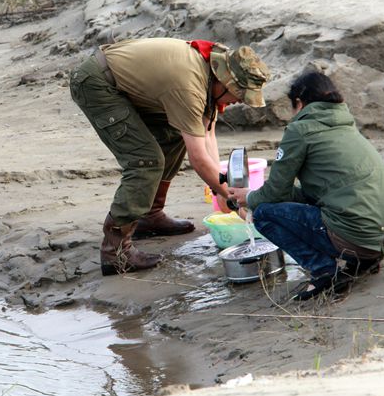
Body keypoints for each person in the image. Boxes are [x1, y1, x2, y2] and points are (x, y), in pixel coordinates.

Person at [69, 38, 270, 276]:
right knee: (146, 162)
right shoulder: (189, 87)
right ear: (225, 83)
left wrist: (222, 189)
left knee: (174, 134)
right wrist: (233, 199)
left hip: (126, 83)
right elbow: (198, 157)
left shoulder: (211, 73)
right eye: (239, 94)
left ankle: (149, 216)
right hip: (98, 83)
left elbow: (207, 135)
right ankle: (115, 252)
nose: (239, 101)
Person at [228, 72, 384, 300]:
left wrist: (251, 198)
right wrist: (260, 194)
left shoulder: (300, 130)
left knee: (264, 213)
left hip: (358, 237)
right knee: (324, 208)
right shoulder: (347, 126)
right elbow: (317, 194)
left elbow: (275, 192)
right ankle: (365, 261)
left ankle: (324, 272)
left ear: (299, 103)